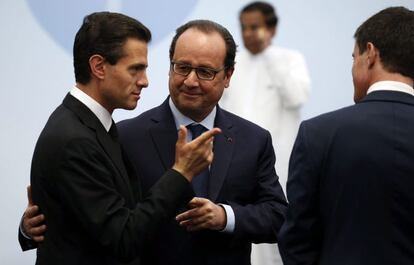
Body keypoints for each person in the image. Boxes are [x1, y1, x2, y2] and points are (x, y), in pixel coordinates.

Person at [21, 19, 288, 265]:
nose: (191, 81)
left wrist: (225, 217)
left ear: (228, 76)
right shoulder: (125, 135)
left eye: (205, 72)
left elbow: (279, 217)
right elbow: (109, 223)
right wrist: (39, 226)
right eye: (182, 67)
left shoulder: (254, 139)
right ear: (171, 65)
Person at [278, 6, 414, 265]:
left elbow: (297, 240)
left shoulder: (318, 134)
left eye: (353, 57)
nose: (351, 69)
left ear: (371, 54)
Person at [220, 2, 310, 264]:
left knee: (275, 227)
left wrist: (269, 54)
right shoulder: (233, 65)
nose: (248, 34)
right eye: (244, 28)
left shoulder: (290, 59)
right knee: (241, 223)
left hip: (278, 164)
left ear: (271, 29)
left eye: (255, 27)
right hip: (236, 160)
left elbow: (297, 97)